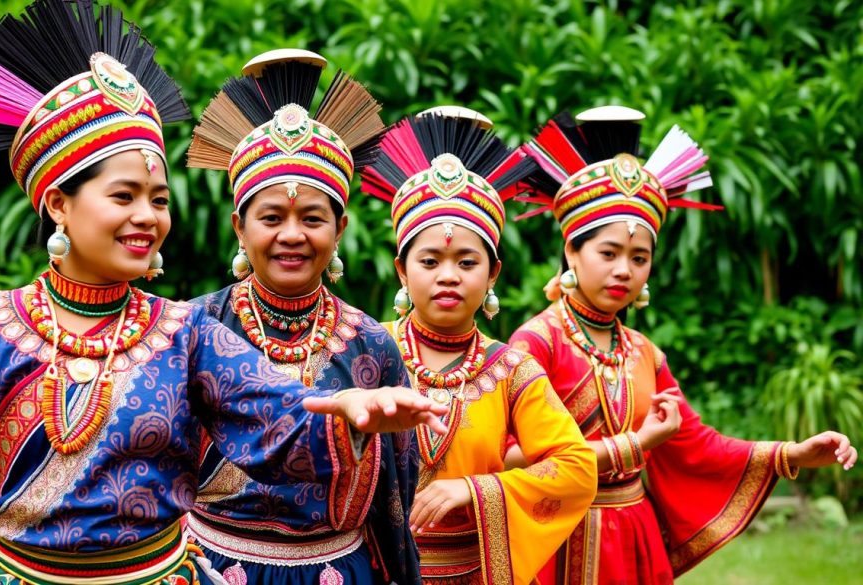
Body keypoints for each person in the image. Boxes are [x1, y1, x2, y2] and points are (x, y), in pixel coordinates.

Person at [0, 3, 448, 584]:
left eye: (157, 200)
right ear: (58, 203)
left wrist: (345, 417)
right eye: (123, 196)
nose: (148, 217)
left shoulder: (184, 335)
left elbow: (278, 423)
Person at [509, 105, 858, 583]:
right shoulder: (535, 343)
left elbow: (697, 446)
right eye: (608, 253)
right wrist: (633, 446)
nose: (623, 270)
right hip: (558, 539)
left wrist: (789, 454)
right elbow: (509, 455)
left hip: (635, 540)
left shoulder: (643, 353)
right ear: (572, 249)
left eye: (639, 256)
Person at [183, 48, 419, 584]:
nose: (292, 234)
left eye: (312, 217)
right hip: (210, 570)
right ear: (240, 228)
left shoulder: (372, 343)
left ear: (338, 230)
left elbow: (398, 497)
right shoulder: (193, 327)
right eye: (271, 217)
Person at [360, 107, 598, 584]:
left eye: (467, 262)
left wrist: (476, 490)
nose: (448, 275)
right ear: (402, 271)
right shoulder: (367, 346)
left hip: (472, 571)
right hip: (374, 567)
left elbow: (576, 467)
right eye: (430, 260)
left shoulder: (510, 368)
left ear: (493, 274)